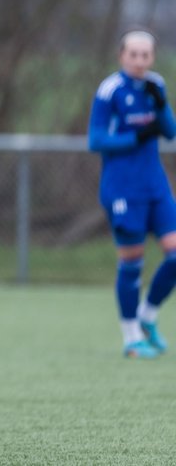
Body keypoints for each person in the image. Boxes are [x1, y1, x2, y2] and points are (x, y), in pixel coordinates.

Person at [88, 29, 176, 359]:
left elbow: (169, 131)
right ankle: (130, 337)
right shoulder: (110, 90)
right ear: (122, 56)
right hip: (122, 188)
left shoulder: (156, 85)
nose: (140, 61)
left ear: (152, 57)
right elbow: (95, 141)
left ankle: (147, 316)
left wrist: (162, 104)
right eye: (133, 55)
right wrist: (135, 138)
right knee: (132, 263)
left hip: (155, 186)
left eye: (145, 55)